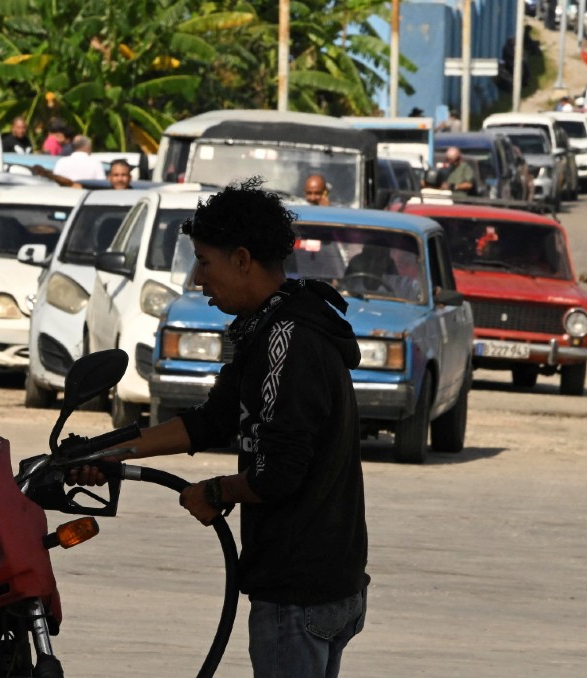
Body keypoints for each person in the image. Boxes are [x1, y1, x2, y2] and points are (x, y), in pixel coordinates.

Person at [72, 178, 369, 678]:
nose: (198, 279)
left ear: (242, 259)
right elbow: (212, 421)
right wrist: (111, 451)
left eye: (205, 262)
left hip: (299, 588)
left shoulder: (287, 341)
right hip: (326, 584)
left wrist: (214, 491)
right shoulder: (272, 326)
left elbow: (280, 473)